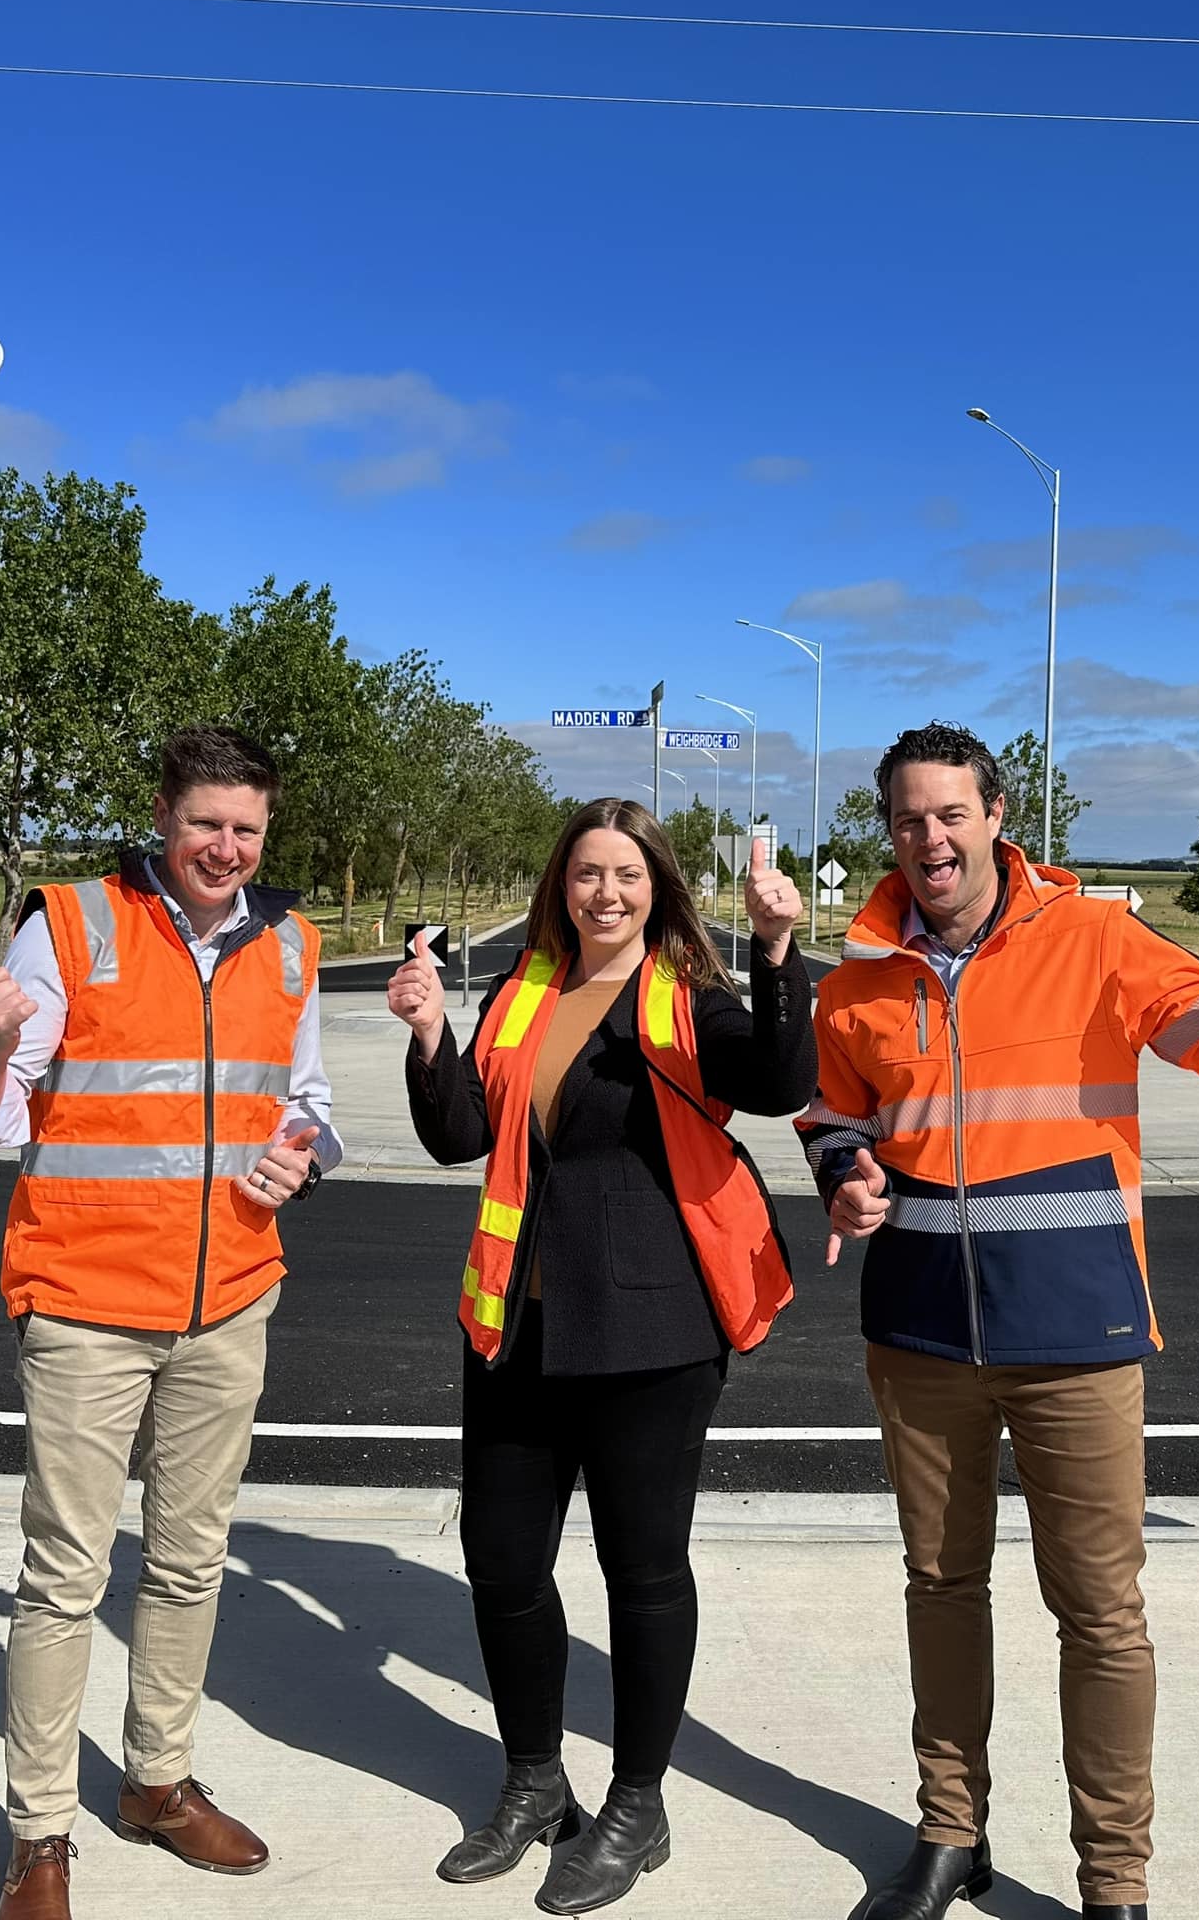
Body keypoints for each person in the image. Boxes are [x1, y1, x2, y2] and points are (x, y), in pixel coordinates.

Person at [797, 722, 1199, 1920]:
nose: (929, 837)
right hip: (914, 1335)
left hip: (1076, 1335)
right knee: (938, 1586)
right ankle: (949, 1833)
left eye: (949, 812)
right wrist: (842, 1171)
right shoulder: (853, 975)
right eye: (908, 818)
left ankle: (1113, 1881)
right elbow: (830, 1117)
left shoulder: (1093, 938)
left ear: (997, 813)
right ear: (887, 831)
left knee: (1101, 1616)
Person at [0, 724, 341, 1920]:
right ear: (161, 811)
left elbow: (303, 1107)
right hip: (87, 1303)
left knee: (190, 1557)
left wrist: (298, 1164)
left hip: (231, 1299)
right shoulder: (73, 923)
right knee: (63, 1572)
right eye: (206, 821)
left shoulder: (292, 941)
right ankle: (37, 1834)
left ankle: (156, 1779)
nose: (225, 847)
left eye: (246, 828)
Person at [389, 798, 814, 1914]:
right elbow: (459, 1134)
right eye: (586, 873)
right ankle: (534, 1779)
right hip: (516, 1321)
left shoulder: (689, 997)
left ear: (656, 887)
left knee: (642, 1570)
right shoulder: (522, 991)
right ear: (560, 885)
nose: (606, 892)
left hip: (651, 1330)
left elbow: (774, 1081)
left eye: (626, 873)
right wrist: (430, 1033)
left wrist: (777, 950)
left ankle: (637, 1799)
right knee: (502, 1562)